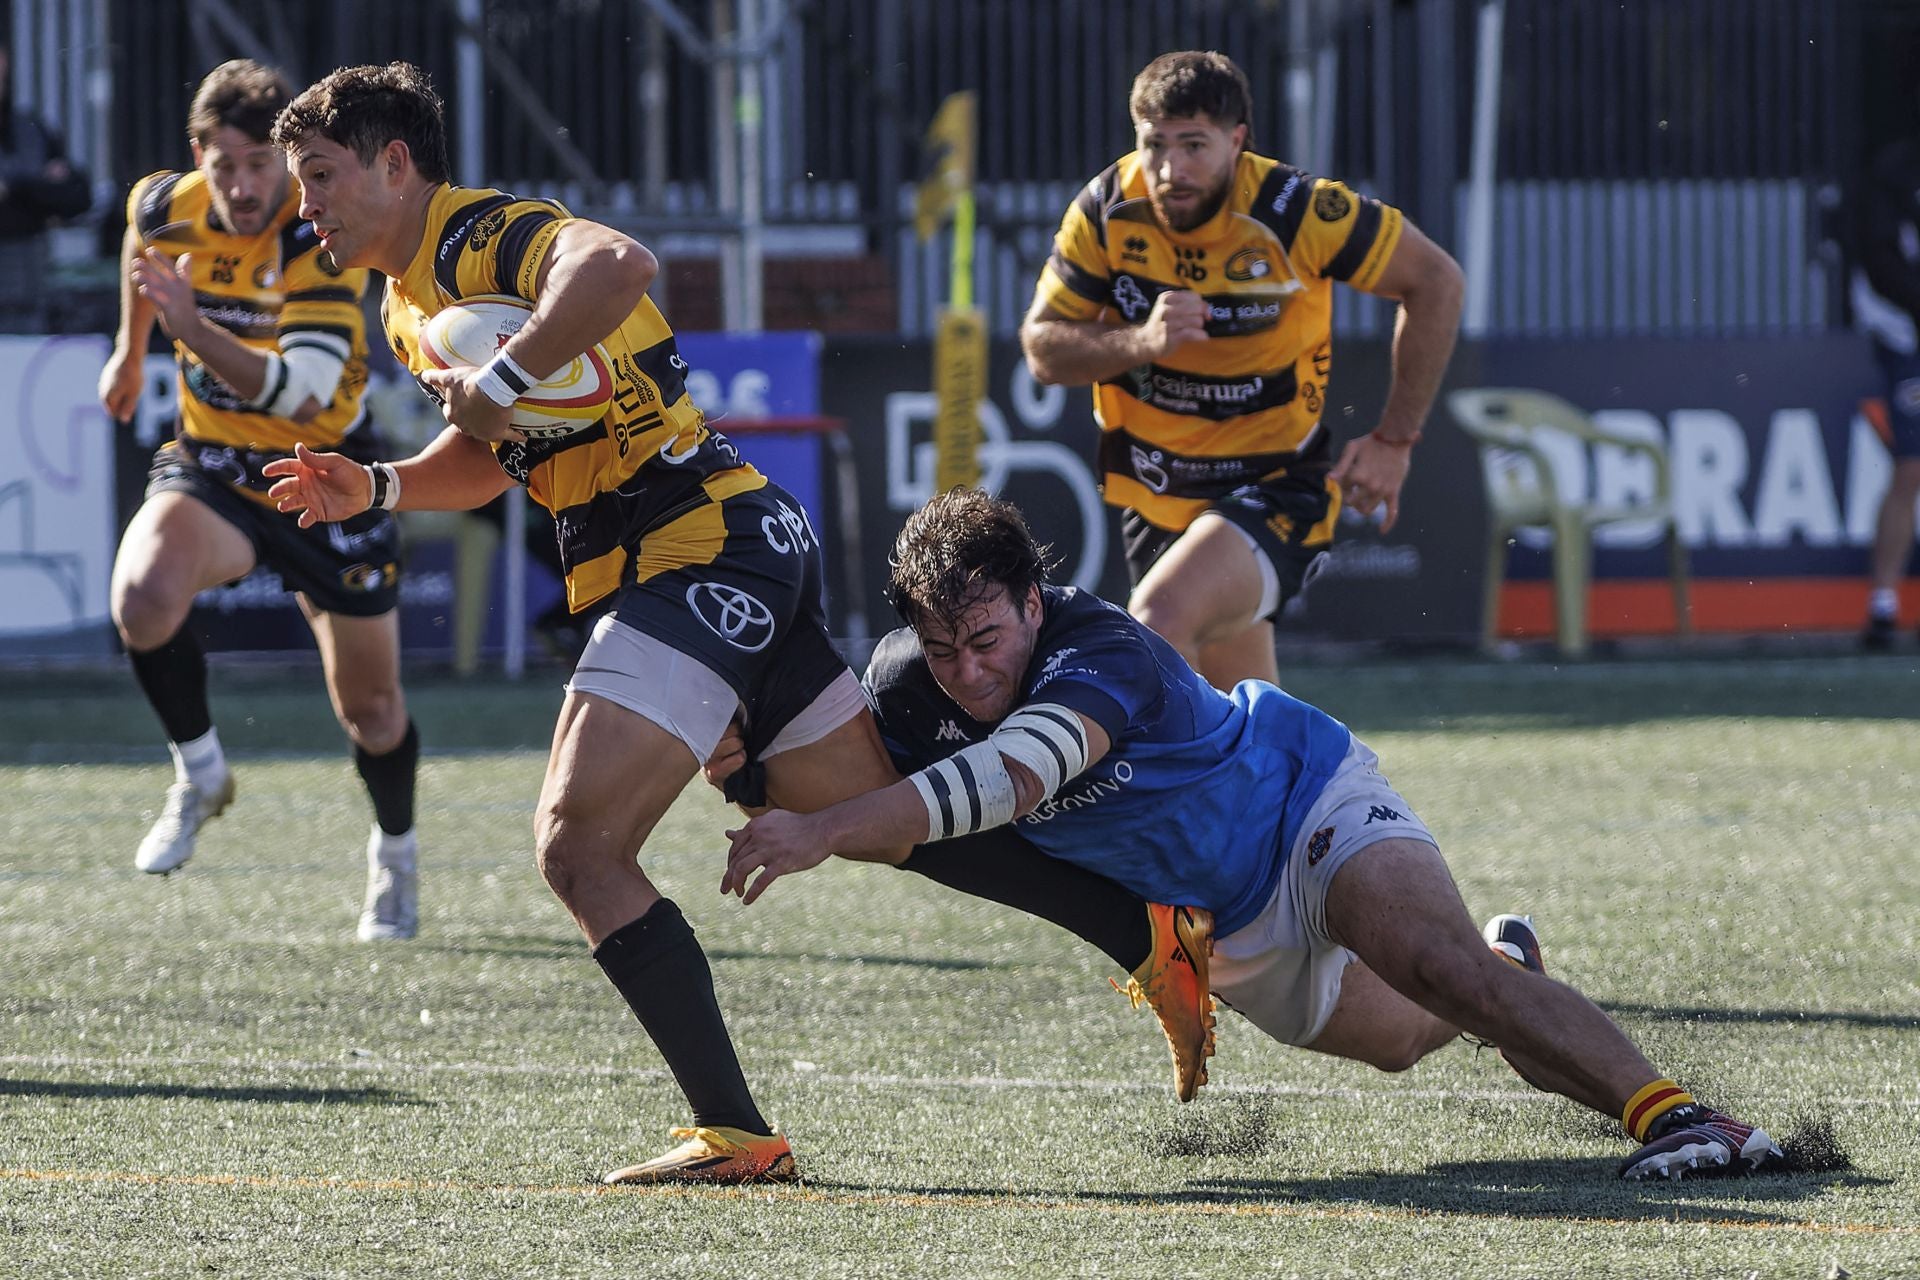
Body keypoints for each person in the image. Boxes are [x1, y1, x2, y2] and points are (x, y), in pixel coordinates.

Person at [260, 61, 1216, 1186]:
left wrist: (512, 369)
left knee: (578, 847)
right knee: (874, 816)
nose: (305, 204)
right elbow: (488, 456)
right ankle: (1150, 932)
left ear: (395, 163)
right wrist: (373, 487)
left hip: (700, 542)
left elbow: (617, 264)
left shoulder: (478, 236)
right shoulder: (404, 301)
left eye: (319, 176)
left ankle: (733, 1130)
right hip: (716, 540)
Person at [722, 489, 1788, 1183]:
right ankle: (1517, 964)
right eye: (943, 647)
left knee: (1438, 966)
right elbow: (888, 791)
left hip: (1302, 805)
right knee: (1408, 1035)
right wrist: (749, 767)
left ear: (1034, 603)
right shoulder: (909, 687)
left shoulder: (1105, 651)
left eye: (987, 638)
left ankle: (1685, 1117)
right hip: (1229, 926)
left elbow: (1012, 777)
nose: (967, 670)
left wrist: (819, 828)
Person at [96, 60, 422, 942]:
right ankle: (201, 771)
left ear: (286, 158)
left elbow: (302, 393)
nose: (243, 187)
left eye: (259, 165)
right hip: (217, 465)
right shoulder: (170, 203)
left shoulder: (314, 237)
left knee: (373, 711)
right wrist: (132, 355)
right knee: (142, 597)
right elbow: (141, 246)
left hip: (327, 473)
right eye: (224, 164)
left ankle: (394, 857)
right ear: (197, 154)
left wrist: (189, 330)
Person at [1019, 51, 1463, 688]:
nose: (1171, 170)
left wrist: (1395, 440)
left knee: (1158, 618)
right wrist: (1141, 341)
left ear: (1238, 141)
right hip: (1154, 490)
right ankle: (1310, 787)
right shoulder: (1107, 209)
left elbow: (1437, 281)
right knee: (1237, 716)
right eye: (1155, 145)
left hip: (1274, 484)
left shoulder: (1298, 209)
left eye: (1194, 145)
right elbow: (1043, 349)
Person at [1852, 119, 1920, 649]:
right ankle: (1883, 603)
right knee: (1911, 467)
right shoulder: (1893, 172)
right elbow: (1880, 262)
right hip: (1907, 337)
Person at [0, 40, 91, 330]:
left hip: (29, 295)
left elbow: (77, 196)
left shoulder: (30, 130)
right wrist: (40, 183)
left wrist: (15, 187)